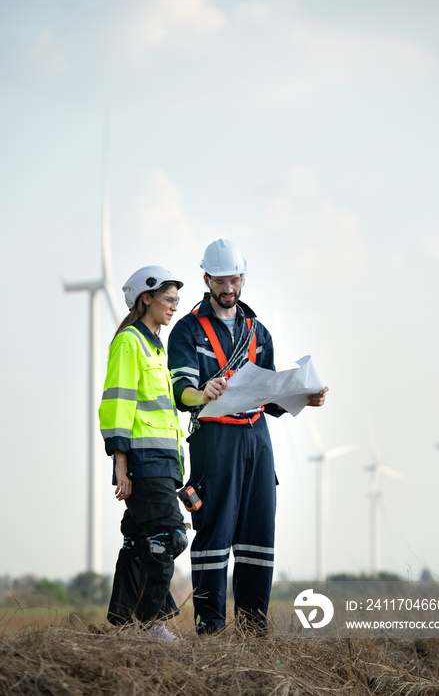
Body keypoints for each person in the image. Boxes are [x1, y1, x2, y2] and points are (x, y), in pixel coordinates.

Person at [167, 239, 328, 635]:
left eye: (235, 280)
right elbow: (180, 393)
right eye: (220, 280)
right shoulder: (187, 330)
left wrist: (304, 397)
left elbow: (270, 397)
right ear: (206, 279)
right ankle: (210, 631)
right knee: (214, 537)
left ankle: (255, 631)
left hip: (257, 440)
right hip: (215, 441)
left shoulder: (258, 331)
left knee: (259, 536)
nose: (228, 288)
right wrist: (203, 393)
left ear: (242, 280)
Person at [99, 265, 188, 643]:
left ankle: (124, 622)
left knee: (140, 540)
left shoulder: (156, 345)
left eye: (177, 301)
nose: (174, 307)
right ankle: (151, 625)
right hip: (143, 458)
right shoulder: (129, 342)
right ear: (146, 298)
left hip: (165, 460)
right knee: (168, 536)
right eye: (168, 299)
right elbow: (118, 403)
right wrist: (121, 461)